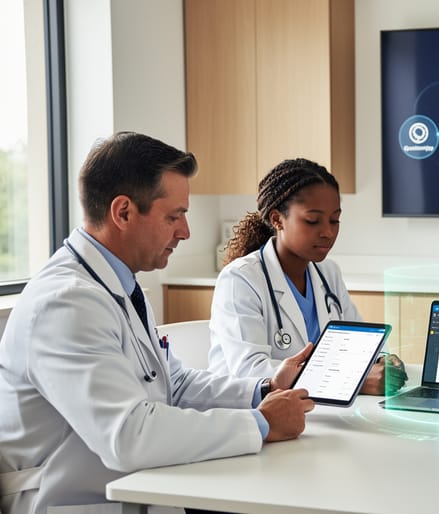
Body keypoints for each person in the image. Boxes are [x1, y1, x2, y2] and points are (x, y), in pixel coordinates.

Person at [0, 132, 316, 514]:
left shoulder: (119, 285)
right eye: (174, 216)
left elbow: (174, 385)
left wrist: (263, 388)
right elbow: (129, 436)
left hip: (138, 490)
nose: (185, 231)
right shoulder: (65, 303)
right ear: (123, 212)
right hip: (72, 502)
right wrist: (260, 423)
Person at [207, 158, 407, 394]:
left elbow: (361, 343)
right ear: (277, 219)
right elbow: (252, 371)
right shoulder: (241, 279)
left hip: (316, 411)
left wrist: (383, 360)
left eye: (335, 220)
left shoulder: (327, 272)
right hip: (251, 416)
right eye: (312, 220)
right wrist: (354, 380)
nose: (328, 232)